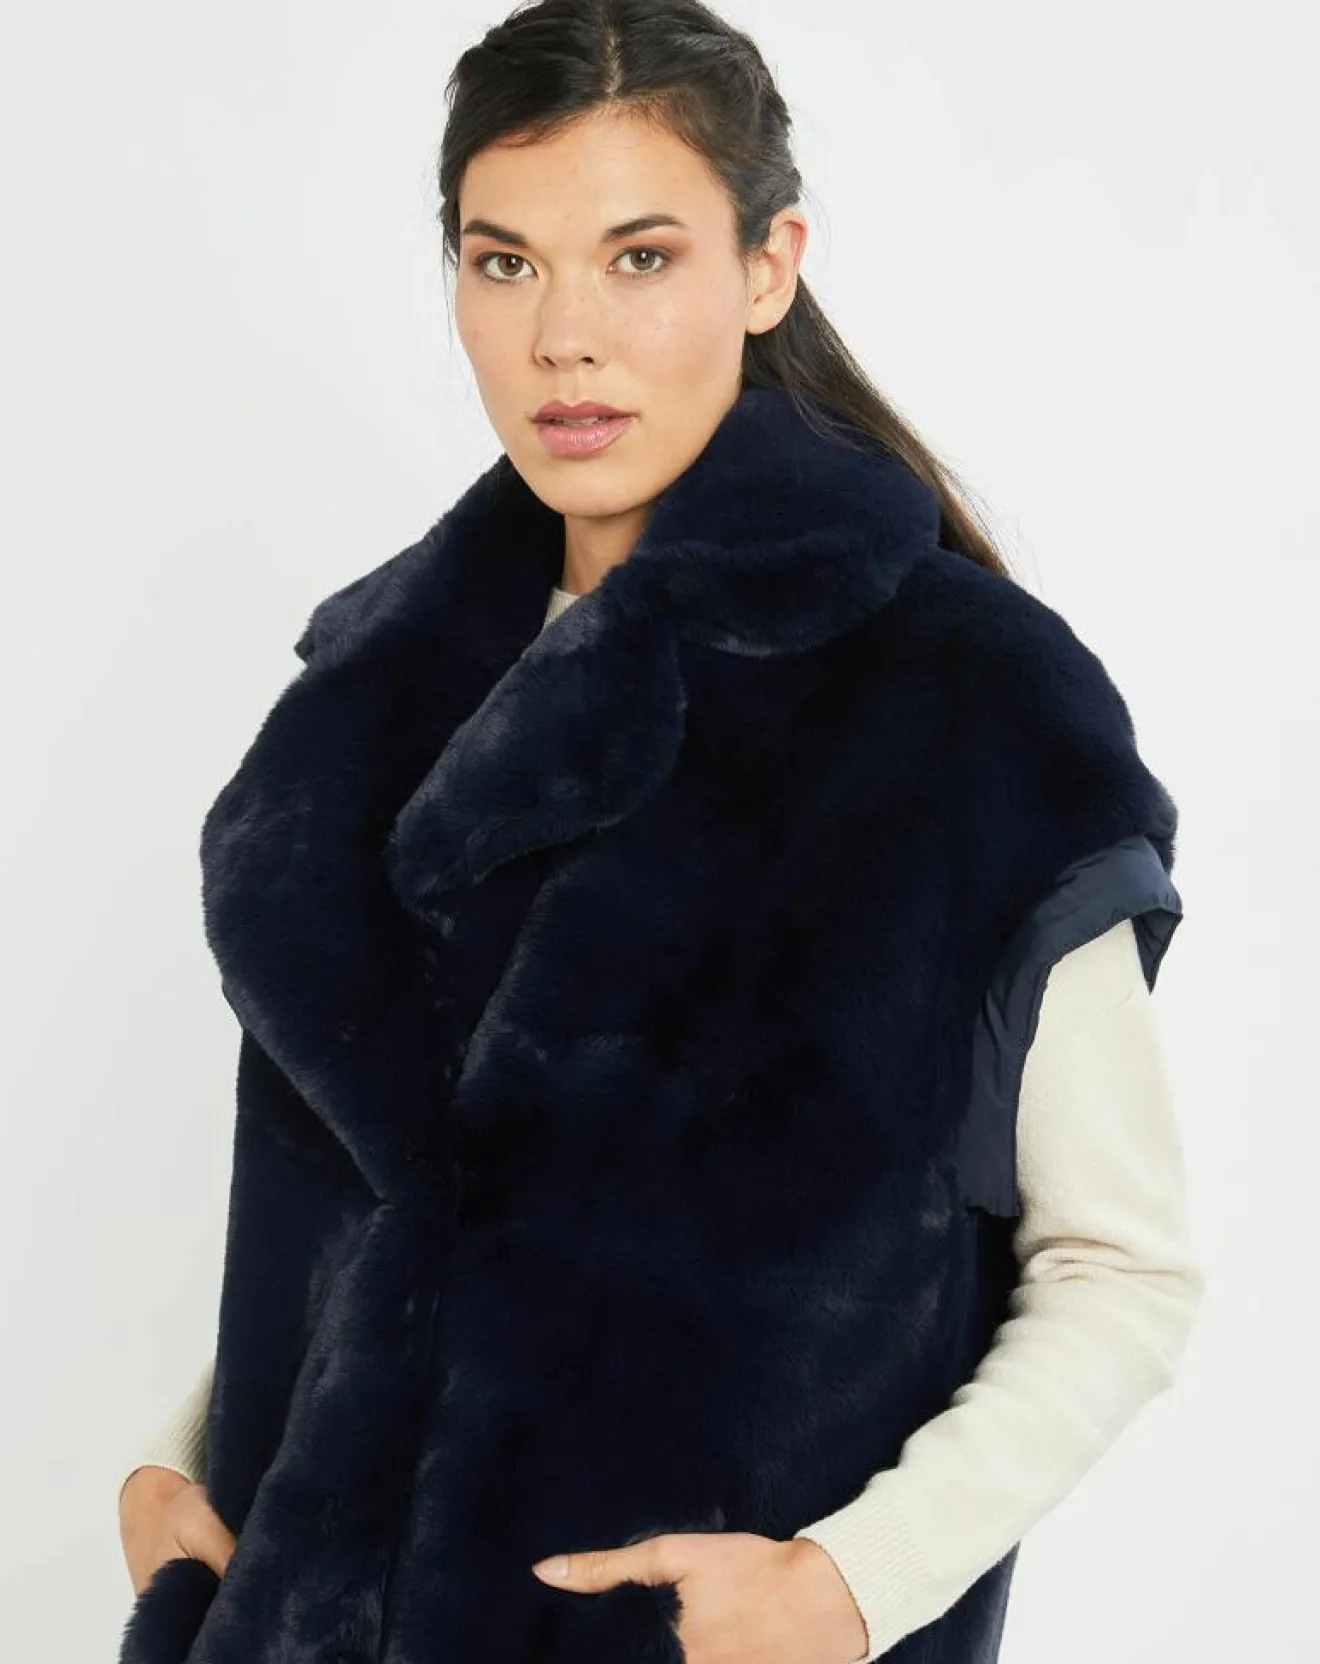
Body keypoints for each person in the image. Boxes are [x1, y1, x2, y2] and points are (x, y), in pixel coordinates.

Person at [115, 3, 1203, 1662]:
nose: (564, 338)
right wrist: (184, 1462)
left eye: (639, 258)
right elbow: (389, 1205)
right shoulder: (367, 702)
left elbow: (1123, 1271)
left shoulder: (970, 704)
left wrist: (846, 1586)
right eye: (505, 263)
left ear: (769, 267)